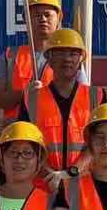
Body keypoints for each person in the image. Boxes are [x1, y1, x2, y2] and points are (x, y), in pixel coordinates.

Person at [17, 27, 101, 187]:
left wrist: (71, 172)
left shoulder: (96, 96)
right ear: (49, 58)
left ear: (81, 59)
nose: (67, 59)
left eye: (73, 53)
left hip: (84, 185)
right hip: (42, 186)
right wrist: (49, 174)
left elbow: (98, 142)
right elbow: (25, 143)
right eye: (60, 53)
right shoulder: (31, 99)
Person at [0, 0, 88, 122]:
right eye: (37, 15)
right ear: (26, 19)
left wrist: (47, 93)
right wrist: (26, 93)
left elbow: (82, 99)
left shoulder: (70, 58)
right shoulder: (10, 56)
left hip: (53, 128)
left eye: (47, 15)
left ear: (59, 18)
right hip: (18, 131)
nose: (43, 19)